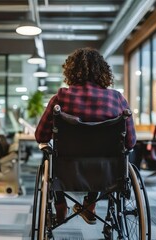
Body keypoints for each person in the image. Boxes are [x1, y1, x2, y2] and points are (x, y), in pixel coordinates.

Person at [34, 47, 136, 225]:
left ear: (71, 71)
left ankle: (60, 204)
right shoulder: (117, 99)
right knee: (101, 156)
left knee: (49, 155)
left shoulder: (60, 98)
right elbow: (130, 142)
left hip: (66, 170)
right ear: (103, 71)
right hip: (108, 172)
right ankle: (90, 202)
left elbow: (40, 136)